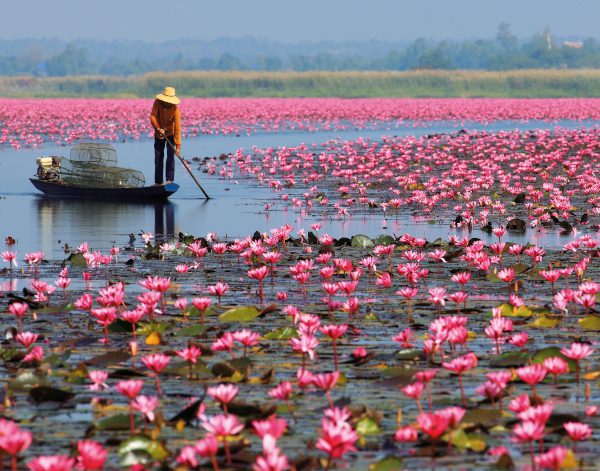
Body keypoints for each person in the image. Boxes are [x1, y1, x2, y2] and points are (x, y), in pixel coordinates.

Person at [150, 87, 181, 185]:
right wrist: (158, 128)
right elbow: (153, 116)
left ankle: (169, 180)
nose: (168, 103)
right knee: (158, 157)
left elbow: (177, 129)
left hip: (170, 134)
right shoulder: (157, 103)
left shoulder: (175, 110)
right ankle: (158, 182)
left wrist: (178, 146)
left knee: (170, 156)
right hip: (159, 133)